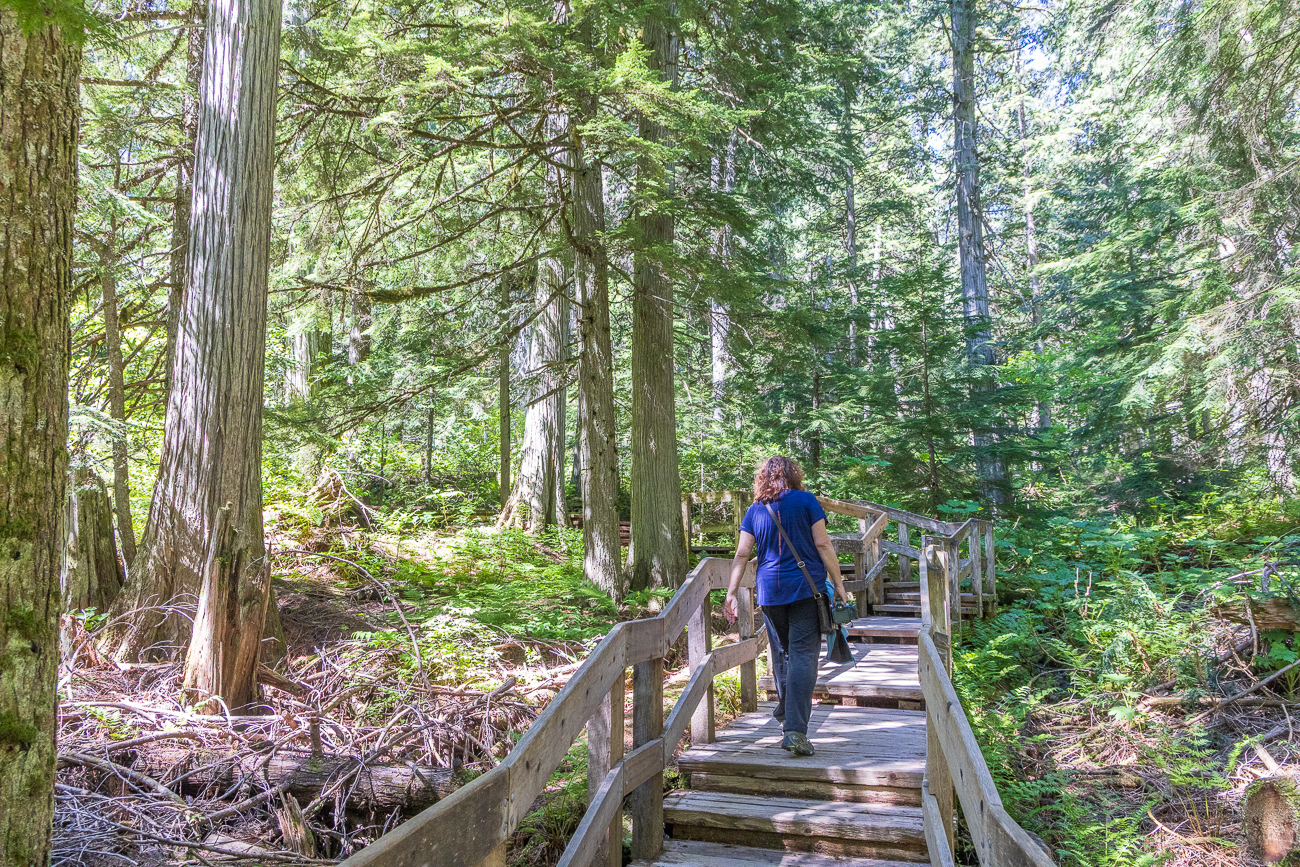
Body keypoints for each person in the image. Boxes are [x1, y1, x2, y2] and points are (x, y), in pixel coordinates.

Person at [723, 456, 846, 757]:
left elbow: (741, 555)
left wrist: (730, 592)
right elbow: (823, 544)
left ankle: (786, 713)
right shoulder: (807, 501)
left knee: (783, 654)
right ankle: (795, 731)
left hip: (769, 592)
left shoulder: (755, 510)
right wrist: (839, 585)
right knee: (804, 655)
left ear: (763, 478)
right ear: (794, 475)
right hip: (806, 589)